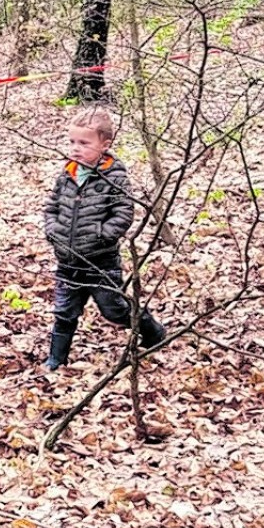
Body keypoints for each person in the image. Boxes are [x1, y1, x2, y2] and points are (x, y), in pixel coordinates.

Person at [41, 107, 167, 370]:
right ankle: (56, 358)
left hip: (101, 262)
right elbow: (51, 206)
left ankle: (153, 331)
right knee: (64, 312)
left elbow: (123, 213)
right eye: (72, 142)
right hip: (68, 261)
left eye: (84, 143)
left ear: (104, 145)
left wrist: (101, 235)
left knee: (114, 310)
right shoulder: (68, 173)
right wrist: (53, 231)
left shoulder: (114, 176)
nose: (76, 149)